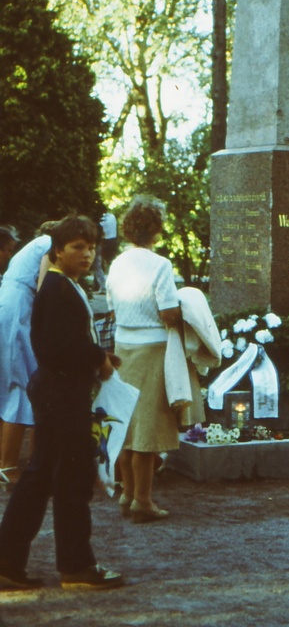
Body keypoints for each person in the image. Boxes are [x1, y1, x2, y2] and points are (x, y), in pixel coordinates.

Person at [0, 215, 124, 591]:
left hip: (56, 391)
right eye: (77, 248)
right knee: (71, 480)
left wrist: (94, 356)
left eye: (90, 248)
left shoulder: (61, 285)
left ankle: (6, 564)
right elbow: (60, 348)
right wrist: (98, 360)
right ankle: (75, 567)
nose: (86, 255)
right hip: (62, 393)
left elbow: (65, 342)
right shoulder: (56, 288)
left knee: (39, 479)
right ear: (57, 251)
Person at [106, 196, 182, 523]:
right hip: (153, 348)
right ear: (156, 228)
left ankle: (126, 493)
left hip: (123, 345)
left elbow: (111, 306)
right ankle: (143, 500)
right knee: (148, 427)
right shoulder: (160, 264)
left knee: (127, 421)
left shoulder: (117, 263)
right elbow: (167, 312)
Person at [0, 222, 55, 486]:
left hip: (11, 305)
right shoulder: (49, 244)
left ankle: (12, 461)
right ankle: (8, 466)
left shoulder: (36, 245)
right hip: (18, 308)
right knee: (21, 385)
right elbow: (46, 288)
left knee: (13, 384)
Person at [92, 209, 118, 293]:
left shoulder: (101, 220)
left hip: (104, 241)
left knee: (98, 264)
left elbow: (102, 231)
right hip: (113, 240)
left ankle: (100, 286)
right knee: (108, 263)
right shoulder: (112, 217)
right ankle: (110, 285)